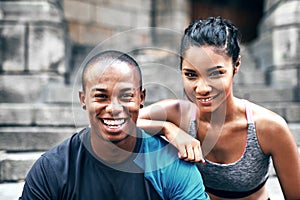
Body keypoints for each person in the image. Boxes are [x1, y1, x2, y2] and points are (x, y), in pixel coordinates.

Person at [138, 17, 300, 199]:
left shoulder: (269, 127)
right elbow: (115, 124)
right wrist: (167, 128)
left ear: (236, 65)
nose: (202, 88)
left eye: (215, 74)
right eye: (191, 75)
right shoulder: (177, 114)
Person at [19, 50, 209, 200]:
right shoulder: (52, 168)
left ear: (141, 98)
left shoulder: (170, 164)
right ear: (83, 99)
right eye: (101, 96)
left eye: (126, 96)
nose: (114, 108)